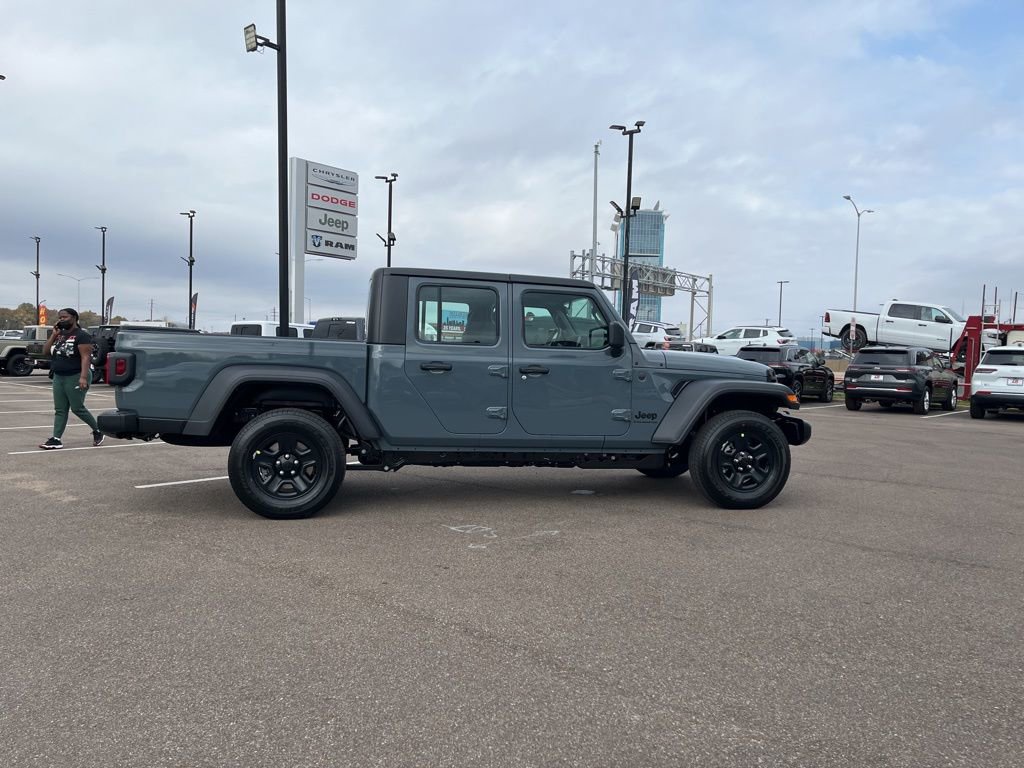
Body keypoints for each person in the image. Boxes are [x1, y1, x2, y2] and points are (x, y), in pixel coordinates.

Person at [38, 308, 104, 449]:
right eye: (60, 317)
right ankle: (56, 439)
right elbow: (45, 352)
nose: (62, 319)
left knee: (77, 408)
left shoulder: (82, 335)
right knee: (60, 409)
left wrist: (83, 377)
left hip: (76, 375)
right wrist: (53, 336)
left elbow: (86, 357)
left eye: (65, 317)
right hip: (59, 376)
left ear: (74, 318)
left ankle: (98, 430)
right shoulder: (60, 334)